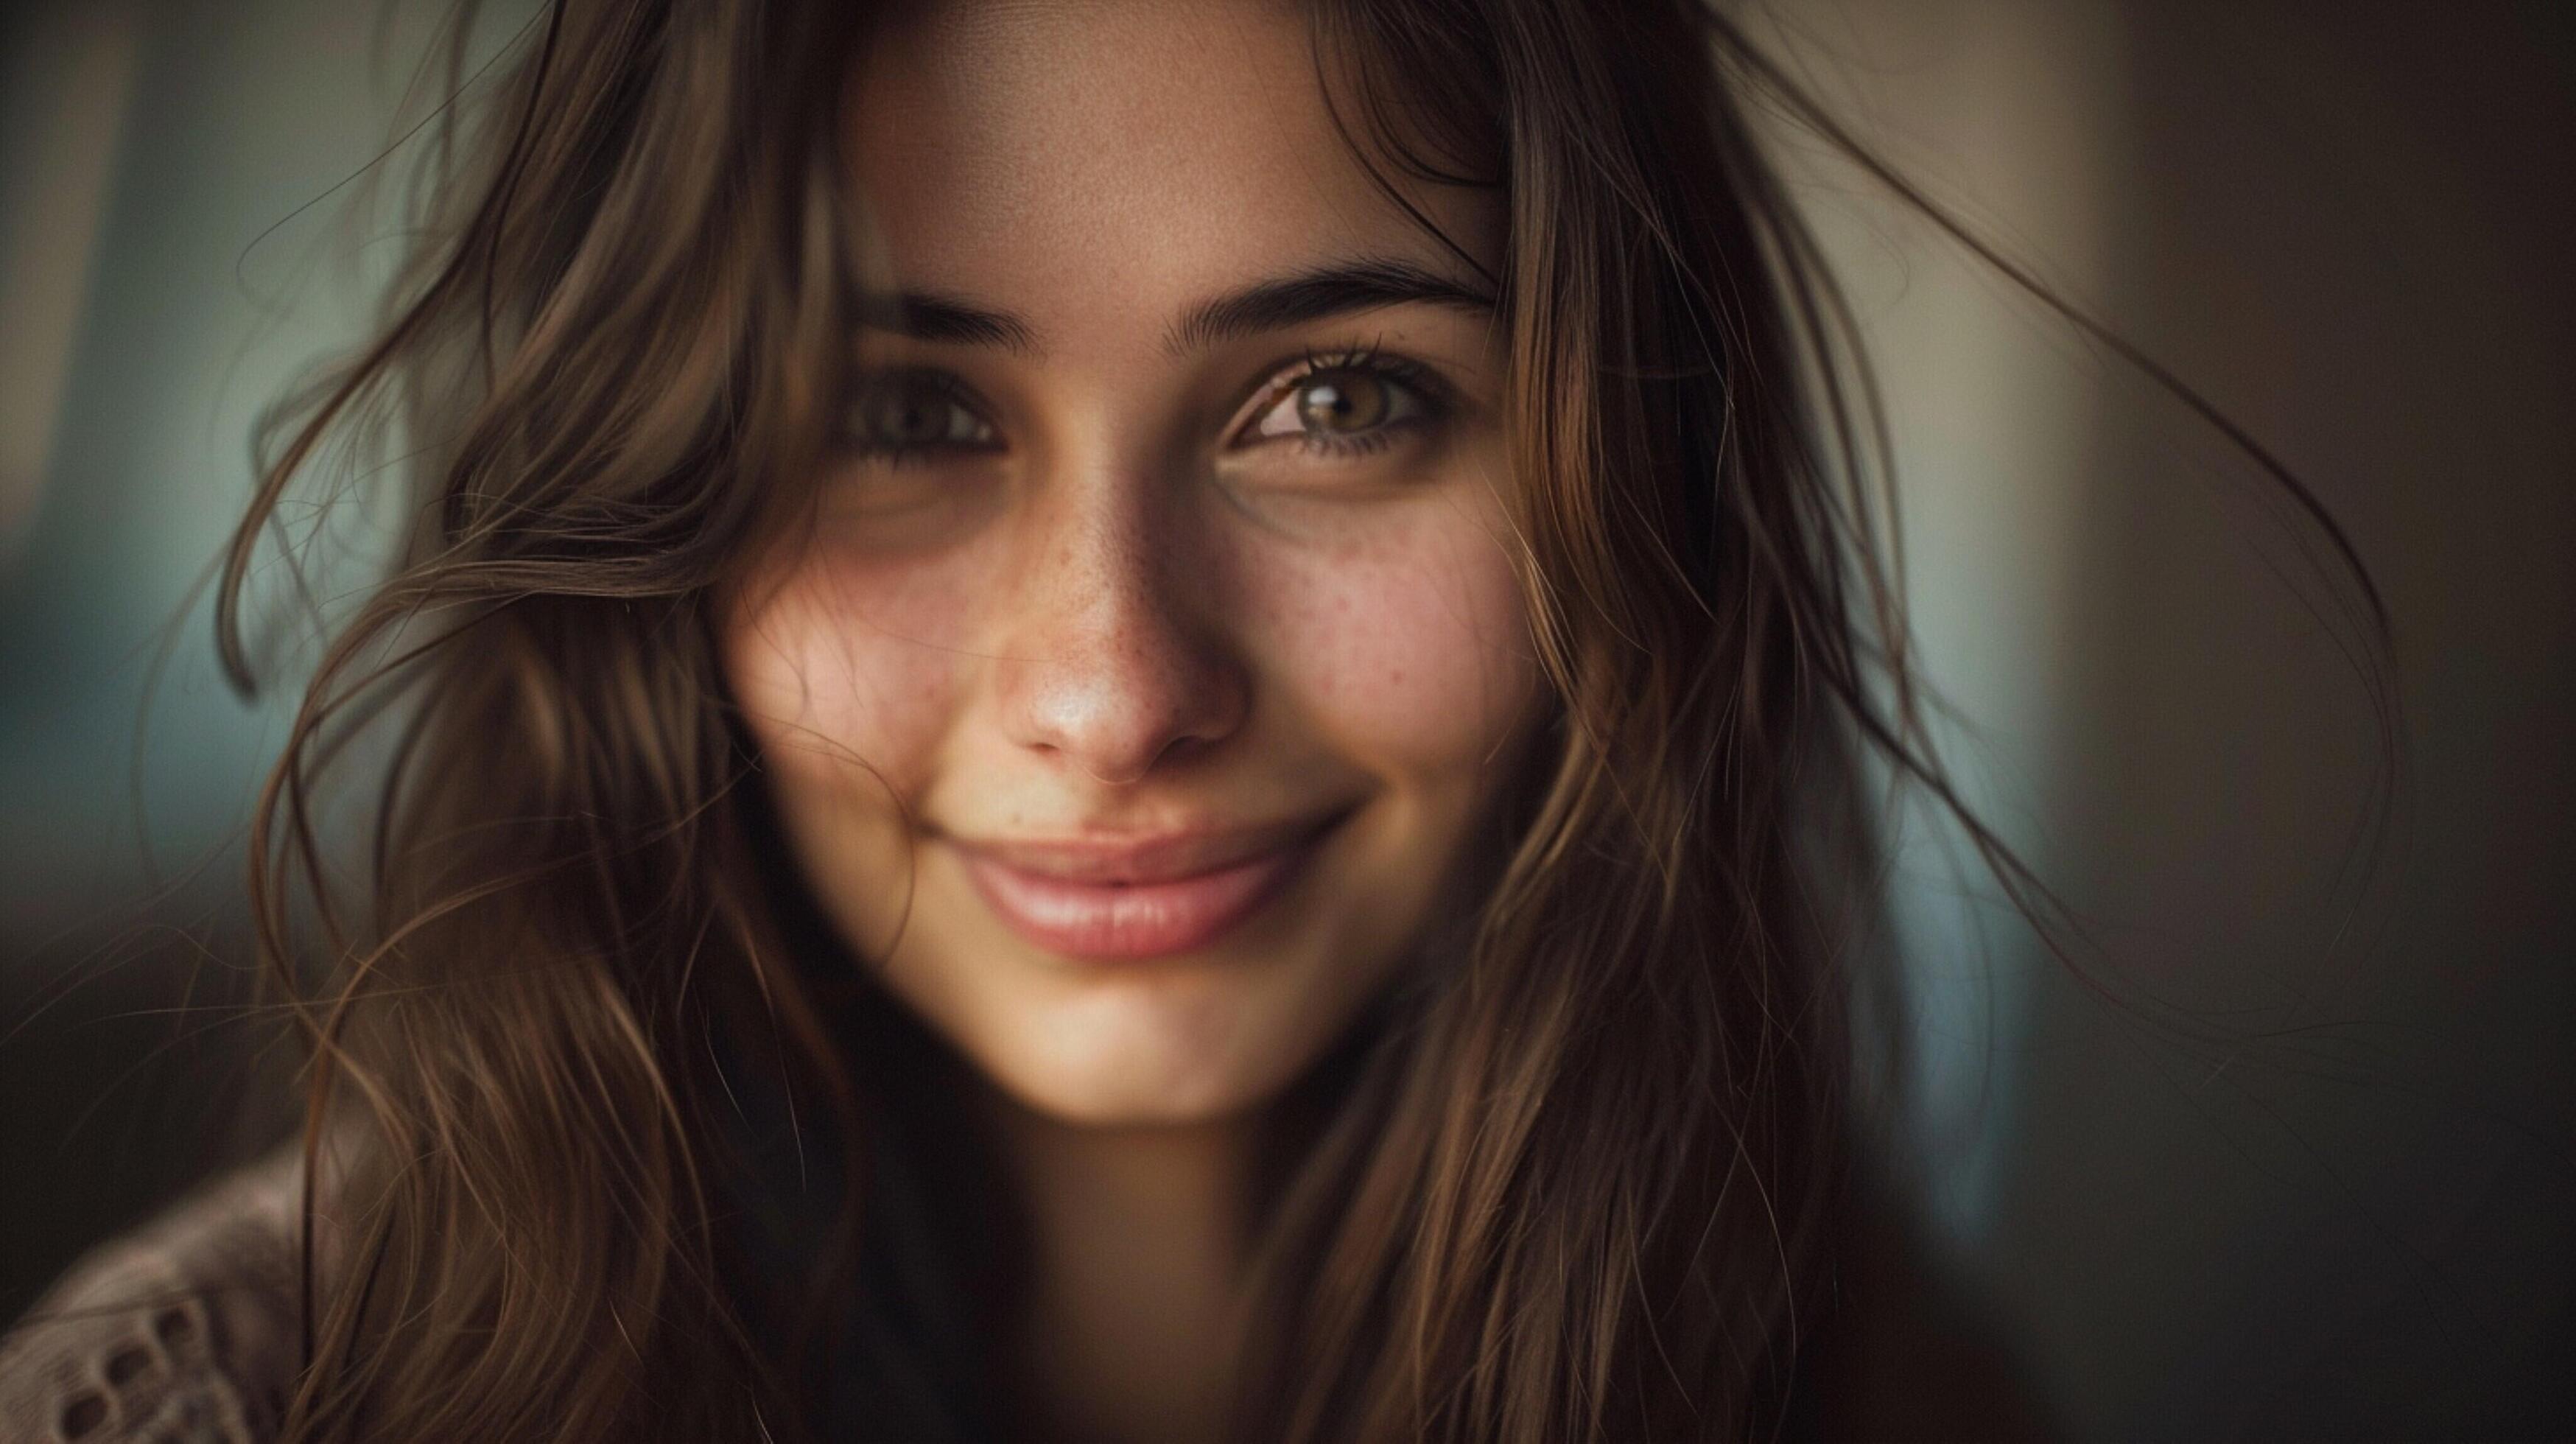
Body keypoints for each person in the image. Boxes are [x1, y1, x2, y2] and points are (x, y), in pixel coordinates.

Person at [11, 0, 2382, 1438]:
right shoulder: (228, 1408)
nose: (1119, 689)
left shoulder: (1868, 1380)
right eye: (900, 417)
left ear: (1622, 494)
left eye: (1338, 399)